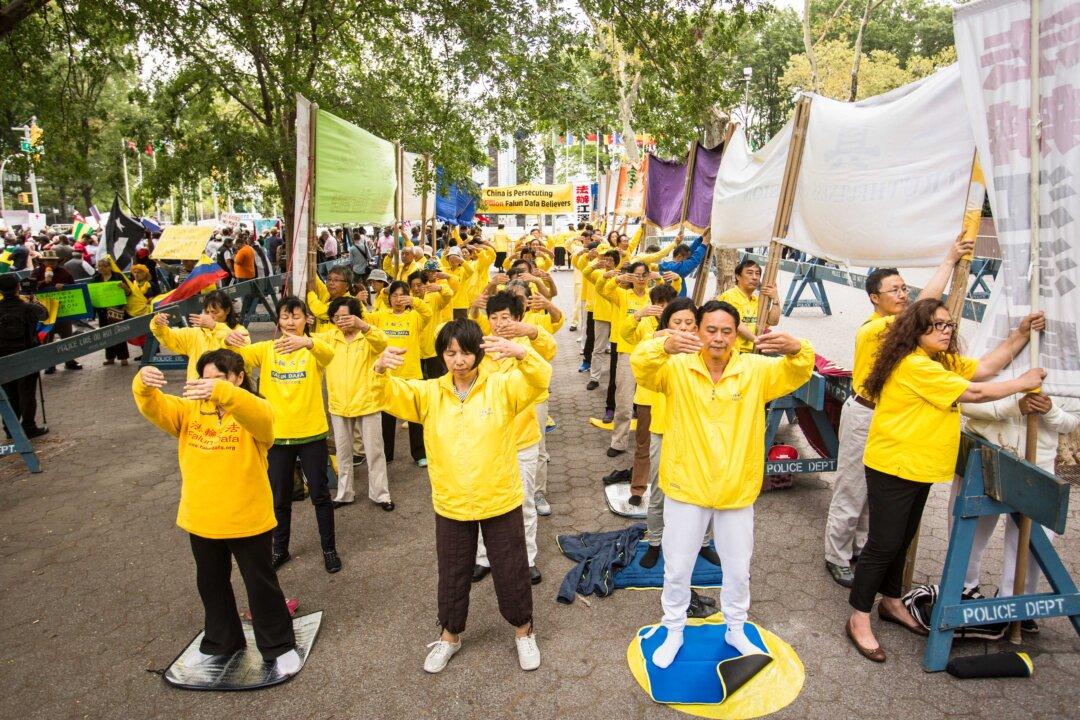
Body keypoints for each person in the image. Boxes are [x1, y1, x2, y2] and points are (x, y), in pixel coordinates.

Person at [845, 298, 1045, 662]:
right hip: (894, 466)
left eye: (949, 324)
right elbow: (975, 392)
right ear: (916, 329)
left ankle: (891, 602)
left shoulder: (939, 361)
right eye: (936, 325)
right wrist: (1023, 383)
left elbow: (984, 368)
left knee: (902, 540)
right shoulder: (915, 365)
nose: (946, 331)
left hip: (918, 467)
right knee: (883, 543)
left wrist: (1019, 335)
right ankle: (858, 617)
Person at [632, 300, 815, 667]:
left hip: (736, 488)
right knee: (678, 566)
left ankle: (735, 627)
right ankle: (673, 628)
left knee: (737, 567)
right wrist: (663, 345)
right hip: (686, 485)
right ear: (697, 331)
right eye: (711, 330)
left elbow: (798, 371)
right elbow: (641, 366)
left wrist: (798, 348)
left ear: (736, 334)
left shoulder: (755, 370)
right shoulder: (676, 367)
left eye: (726, 331)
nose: (718, 338)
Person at [371, 319, 551, 673]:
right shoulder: (428, 393)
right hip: (451, 501)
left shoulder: (501, 386)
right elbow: (386, 394)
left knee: (511, 569)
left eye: (466, 352)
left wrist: (522, 353)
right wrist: (378, 370)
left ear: (478, 354)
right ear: (442, 355)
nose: (459, 360)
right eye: (451, 352)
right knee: (453, 572)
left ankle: (524, 630)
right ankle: (449, 635)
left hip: (499, 497)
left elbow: (539, 380)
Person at [131, 352, 301, 674]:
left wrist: (221, 393)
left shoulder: (254, 409)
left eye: (219, 379)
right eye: (205, 379)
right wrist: (143, 384)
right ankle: (221, 643)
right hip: (202, 516)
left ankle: (278, 645)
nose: (209, 386)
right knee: (211, 584)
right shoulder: (189, 410)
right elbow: (155, 406)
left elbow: (262, 419)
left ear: (239, 377)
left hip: (247, 517)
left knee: (260, 584)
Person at [823, 236, 974, 588]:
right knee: (851, 489)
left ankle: (862, 550)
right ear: (874, 298)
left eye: (905, 288)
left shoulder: (904, 335)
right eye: (894, 290)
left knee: (874, 493)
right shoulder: (875, 329)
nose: (903, 295)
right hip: (865, 414)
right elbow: (922, 309)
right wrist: (948, 262)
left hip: (888, 417)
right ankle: (836, 556)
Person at [227, 297, 341, 574]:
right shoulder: (266, 349)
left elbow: (329, 355)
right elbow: (234, 359)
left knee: (320, 495)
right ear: (278, 320)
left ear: (306, 319)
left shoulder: (314, 348)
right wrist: (225, 337)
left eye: (296, 316)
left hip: (312, 434)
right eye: (285, 317)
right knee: (279, 498)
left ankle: (329, 548)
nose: (290, 322)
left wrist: (308, 343)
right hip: (277, 437)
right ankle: (280, 548)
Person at [958, 391, 1080, 620]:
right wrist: (1015, 406)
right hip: (984, 451)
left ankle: (1016, 604)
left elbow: (1071, 422)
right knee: (970, 531)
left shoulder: (1069, 373)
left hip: (1038, 461)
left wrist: (1050, 410)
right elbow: (965, 402)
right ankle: (964, 590)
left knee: (1034, 538)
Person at [472, 291, 556, 586]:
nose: (499, 323)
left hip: (523, 440)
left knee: (524, 503)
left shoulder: (527, 346)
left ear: (518, 318)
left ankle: (527, 559)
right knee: (484, 500)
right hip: (487, 442)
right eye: (494, 317)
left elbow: (550, 350)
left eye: (505, 317)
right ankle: (483, 557)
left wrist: (528, 335)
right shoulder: (480, 348)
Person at [318, 297, 392, 511]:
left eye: (346, 317)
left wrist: (364, 326)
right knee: (343, 453)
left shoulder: (367, 336)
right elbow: (310, 343)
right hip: (339, 404)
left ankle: (381, 495)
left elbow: (383, 343)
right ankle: (344, 494)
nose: (341, 321)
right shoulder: (329, 338)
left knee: (375, 452)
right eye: (336, 317)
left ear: (356, 316)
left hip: (367, 402)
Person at [618, 283, 679, 504]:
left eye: (668, 305)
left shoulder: (681, 326)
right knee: (643, 445)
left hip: (673, 397)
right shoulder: (645, 323)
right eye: (659, 305)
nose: (664, 309)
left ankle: (670, 489)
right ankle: (638, 489)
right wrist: (639, 316)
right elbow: (625, 334)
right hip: (648, 397)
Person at [368, 280, 432, 466]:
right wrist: (382, 292)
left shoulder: (415, 317)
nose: (398, 299)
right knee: (387, 416)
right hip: (389, 374)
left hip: (411, 372)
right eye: (394, 295)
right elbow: (363, 318)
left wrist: (414, 301)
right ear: (389, 298)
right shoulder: (380, 316)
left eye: (402, 296)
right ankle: (386, 454)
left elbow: (427, 312)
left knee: (415, 416)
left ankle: (419, 453)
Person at [151, 290, 250, 380]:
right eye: (207, 312)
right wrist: (158, 324)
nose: (210, 316)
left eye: (214, 312)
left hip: (228, 389)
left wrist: (215, 326)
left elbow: (245, 357)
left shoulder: (239, 330)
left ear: (227, 310)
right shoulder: (196, 333)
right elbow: (169, 337)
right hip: (197, 389)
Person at [0, 273, 48, 438]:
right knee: (27, 392)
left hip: (3, 357)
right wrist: (33, 299)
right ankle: (29, 427)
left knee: (9, 393)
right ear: (17, 287)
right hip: (26, 354)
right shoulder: (27, 307)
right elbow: (45, 314)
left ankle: (10, 429)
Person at [32, 249, 83, 373]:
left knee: (67, 338)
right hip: (45, 313)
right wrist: (44, 282)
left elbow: (73, 287)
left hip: (62, 310)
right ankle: (50, 364)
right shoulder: (36, 272)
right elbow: (30, 288)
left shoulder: (64, 272)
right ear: (43, 261)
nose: (52, 263)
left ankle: (69, 361)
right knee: (47, 340)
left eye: (54, 261)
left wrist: (65, 287)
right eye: (49, 261)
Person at [716, 258, 780, 353]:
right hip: (732, 351)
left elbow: (772, 322)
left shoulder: (757, 300)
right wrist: (757, 341)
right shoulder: (729, 296)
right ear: (738, 276)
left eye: (757, 274)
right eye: (750, 273)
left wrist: (775, 298)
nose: (754, 277)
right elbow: (736, 323)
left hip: (752, 351)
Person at [91, 258, 131, 366]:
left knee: (119, 332)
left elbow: (129, 292)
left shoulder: (118, 276)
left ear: (110, 267)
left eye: (104, 266)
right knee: (106, 334)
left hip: (116, 309)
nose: (102, 268)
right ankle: (110, 357)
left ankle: (123, 357)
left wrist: (124, 287)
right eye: (99, 266)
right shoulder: (96, 278)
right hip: (102, 310)